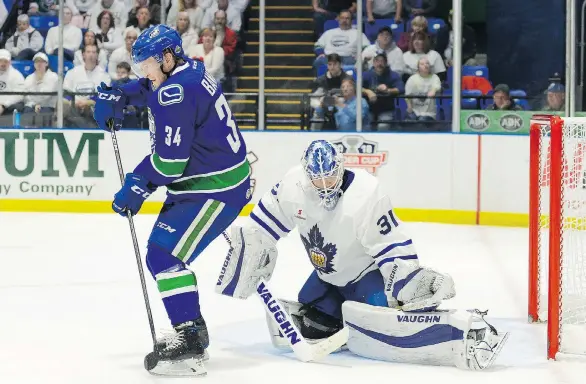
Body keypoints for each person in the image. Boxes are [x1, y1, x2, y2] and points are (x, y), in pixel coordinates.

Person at [216, 140, 509, 371]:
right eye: (318, 179)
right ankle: (344, 317)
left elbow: (391, 246)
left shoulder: (366, 193)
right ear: (307, 174)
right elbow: (261, 228)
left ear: (340, 167)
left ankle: (457, 332)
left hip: (364, 275)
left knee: (384, 316)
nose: (326, 185)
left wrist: (407, 282)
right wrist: (250, 250)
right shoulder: (292, 186)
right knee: (310, 315)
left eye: (330, 176)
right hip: (327, 276)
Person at [93, 24, 252, 376]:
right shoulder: (189, 69)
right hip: (206, 182)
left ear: (167, 57)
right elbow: (150, 88)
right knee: (162, 254)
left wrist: (137, 183)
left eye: (147, 64)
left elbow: (169, 162)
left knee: (165, 255)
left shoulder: (176, 92)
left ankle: (191, 337)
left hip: (214, 188)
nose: (144, 73)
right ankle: (190, 330)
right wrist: (122, 94)